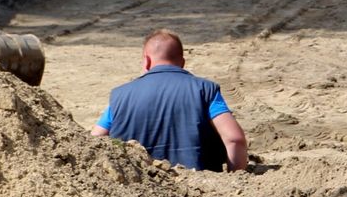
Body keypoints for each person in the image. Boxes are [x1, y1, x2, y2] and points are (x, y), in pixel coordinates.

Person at [91, 29, 248, 172]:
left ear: (146, 61)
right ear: (182, 63)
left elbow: (95, 140)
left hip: (139, 190)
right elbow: (235, 139)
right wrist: (235, 177)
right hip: (200, 186)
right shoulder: (205, 89)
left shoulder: (119, 96)